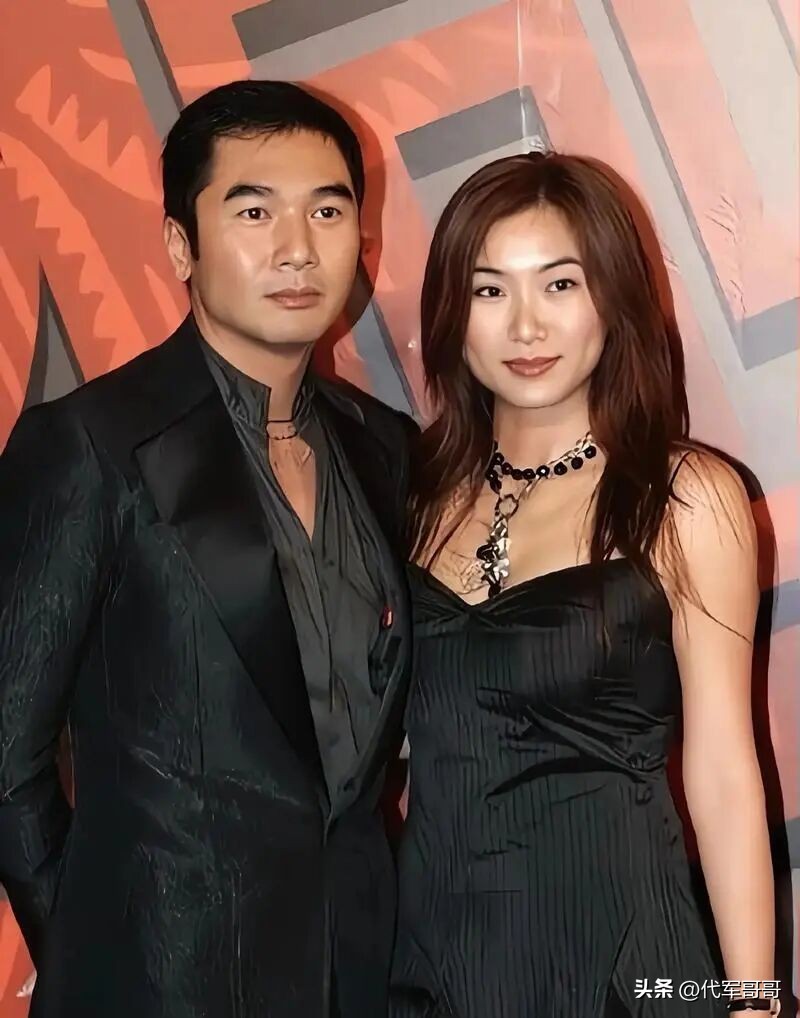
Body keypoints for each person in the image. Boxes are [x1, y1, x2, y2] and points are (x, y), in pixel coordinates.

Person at [0, 79, 415, 1018]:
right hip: (160, 980)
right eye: (254, 210)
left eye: (327, 211)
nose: (297, 247)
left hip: (359, 974)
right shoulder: (92, 445)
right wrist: (97, 954)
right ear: (180, 244)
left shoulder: (385, 449)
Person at [390, 153, 778, 1017]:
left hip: (625, 970)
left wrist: (754, 1002)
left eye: (560, 284)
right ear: (453, 314)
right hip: (436, 967)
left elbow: (723, 772)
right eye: (490, 290)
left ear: (613, 298)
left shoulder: (684, 497)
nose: (526, 324)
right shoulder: (410, 499)